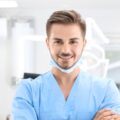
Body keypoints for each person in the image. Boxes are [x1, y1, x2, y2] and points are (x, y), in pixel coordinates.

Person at [11, 10, 120, 120]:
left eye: (73, 42)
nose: (65, 50)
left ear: (84, 44)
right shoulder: (28, 91)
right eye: (58, 41)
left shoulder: (106, 90)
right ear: (48, 43)